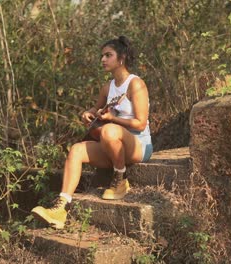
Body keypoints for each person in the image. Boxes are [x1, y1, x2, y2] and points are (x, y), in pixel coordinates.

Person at [31, 36, 153, 229]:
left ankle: (120, 180)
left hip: (139, 145)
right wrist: (88, 114)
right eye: (102, 56)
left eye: (108, 55)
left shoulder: (135, 84)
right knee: (77, 150)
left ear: (121, 58)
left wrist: (112, 119)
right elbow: (96, 110)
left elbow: (140, 123)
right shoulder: (107, 87)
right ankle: (61, 207)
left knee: (109, 130)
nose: (103, 60)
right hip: (113, 144)